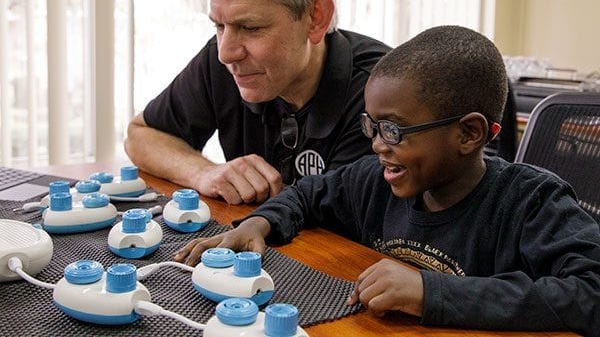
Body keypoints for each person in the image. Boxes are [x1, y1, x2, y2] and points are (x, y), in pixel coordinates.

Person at [173, 25, 600, 334]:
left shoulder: (531, 202)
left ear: (468, 133)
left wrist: (430, 292)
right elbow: (307, 195)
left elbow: (591, 292)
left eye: (393, 130)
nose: (377, 145)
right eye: (371, 126)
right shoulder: (375, 180)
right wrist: (258, 224)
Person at [124, 0, 390, 205]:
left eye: (250, 28)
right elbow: (141, 136)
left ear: (315, 17)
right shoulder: (223, 61)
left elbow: (340, 218)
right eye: (219, 26)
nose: (225, 53)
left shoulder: (382, 93)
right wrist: (204, 172)